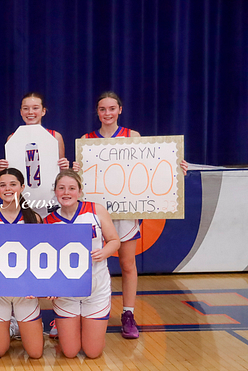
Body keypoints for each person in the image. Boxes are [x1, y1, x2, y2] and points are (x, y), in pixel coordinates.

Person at [75, 91, 188, 339]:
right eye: (102, 109)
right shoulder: (86, 140)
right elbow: (79, 182)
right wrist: (76, 169)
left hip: (125, 211)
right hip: (95, 212)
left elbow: (150, 169)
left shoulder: (132, 136)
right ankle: (76, 311)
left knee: (127, 264)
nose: (107, 113)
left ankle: (128, 313)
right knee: (86, 263)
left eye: (111, 108)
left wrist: (175, 169)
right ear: (97, 112)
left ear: (120, 110)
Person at [43, 170, 120, 358]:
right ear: (55, 191)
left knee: (93, 352)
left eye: (71, 188)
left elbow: (114, 241)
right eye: (61, 188)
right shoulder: (48, 222)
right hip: (66, 292)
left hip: (96, 288)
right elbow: (45, 261)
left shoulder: (96, 211)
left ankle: (86, 326)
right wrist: (51, 286)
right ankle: (65, 326)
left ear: (80, 191)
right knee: (70, 352)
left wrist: (104, 252)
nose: (66, 192)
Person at [0, 168, 44, 358]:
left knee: (35, 353)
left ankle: (20, 323)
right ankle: (10, 323)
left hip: (26, 292)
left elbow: (41, 258)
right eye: (2, 185)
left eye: (13, 184)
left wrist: (38, 286)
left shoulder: (34, 218)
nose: (7, 188)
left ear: (22, 187)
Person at [0, 92, 70, 172]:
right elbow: (11, 172)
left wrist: (64, 167)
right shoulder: (12, 138)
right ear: (21, 112)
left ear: (43, 111)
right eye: (26, 108)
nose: (30, 112)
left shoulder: (55, 137)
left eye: (35, 108)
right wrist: (3, 169)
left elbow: (61, 173)